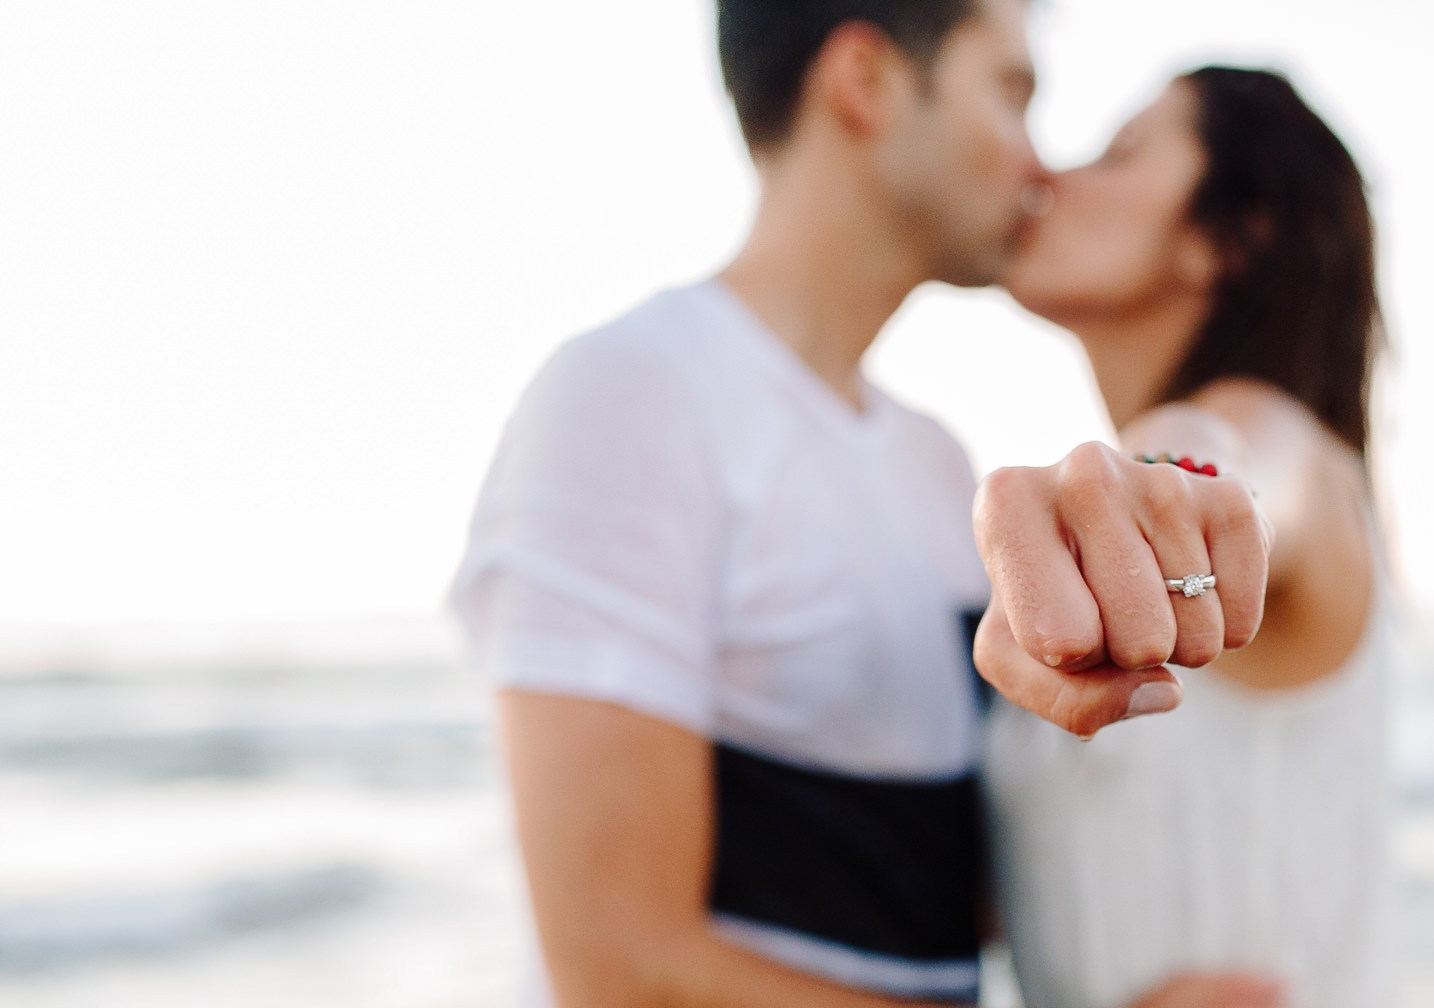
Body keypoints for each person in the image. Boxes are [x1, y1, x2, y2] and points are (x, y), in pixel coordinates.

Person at [449, 1, 1273, 1005]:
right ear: (866, 82)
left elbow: (926, 886)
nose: (1038, 165)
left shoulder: (934, 464)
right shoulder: (633, 395)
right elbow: (619, 967)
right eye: (1010, 93)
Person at [981, 67, 1395, 1008]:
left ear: (1224, 237)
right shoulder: (1095, 574)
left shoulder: (1294, 457)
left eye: (1120, 154)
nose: (1053, 174)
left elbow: (1252, 469)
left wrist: (1182, 476)